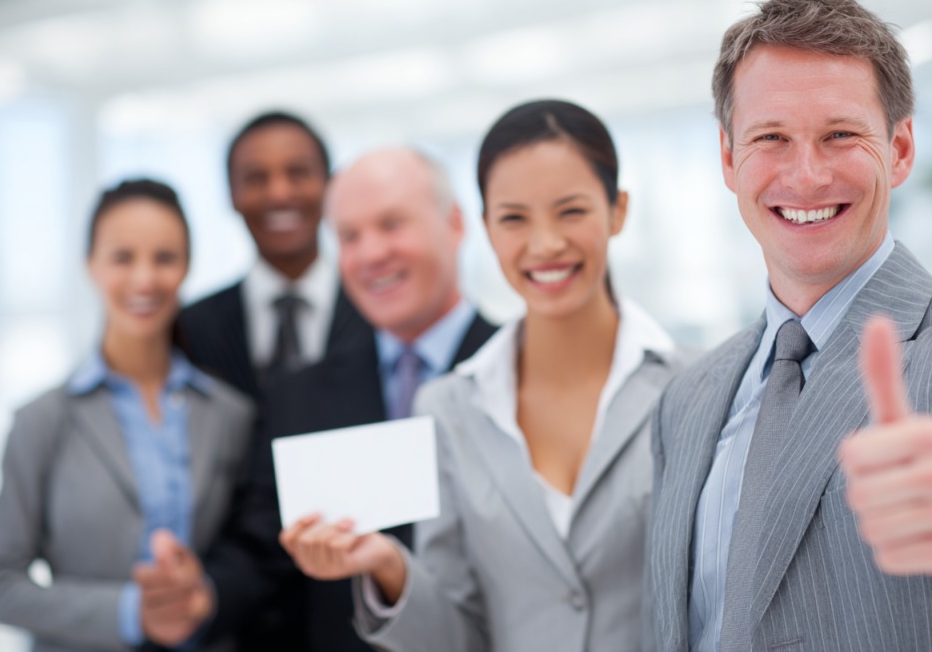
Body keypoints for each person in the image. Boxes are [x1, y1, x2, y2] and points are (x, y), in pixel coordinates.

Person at [642, 0, 932, 651]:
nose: (806, 175)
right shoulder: (687, 397)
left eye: (839, 135)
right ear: (728, 158)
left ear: (898, 149)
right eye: (770, 137)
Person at [281, 99, 691, 651]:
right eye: (514, 218)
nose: (544, 244)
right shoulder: (451, 407)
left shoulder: (697, 386)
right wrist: (387, 566)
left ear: (617, 211)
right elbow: (459, 636)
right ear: (484, 229)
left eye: (570, 211)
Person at [134, 148, 497, 652]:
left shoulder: (521, 376)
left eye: (392, 224)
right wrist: (204, 596)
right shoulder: (300, 398)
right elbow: (265, 552)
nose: (370, 254)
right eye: (348, 236)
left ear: (455, 225)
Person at [0, 179, 254, 652]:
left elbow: (248, 557)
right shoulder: (42, 421)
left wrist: (200, 593)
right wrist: (130, 611)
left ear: (186, 267)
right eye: (122, 257)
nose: (144, 279)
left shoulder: (230, 415)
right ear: (91, 266)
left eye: (165, 258)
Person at [178, 111, 369, 400]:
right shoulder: (191, 329)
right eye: (256, 178)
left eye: (298, 173)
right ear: (231, 193)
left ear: (330, 186)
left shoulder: (377, 312)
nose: (279, 193)